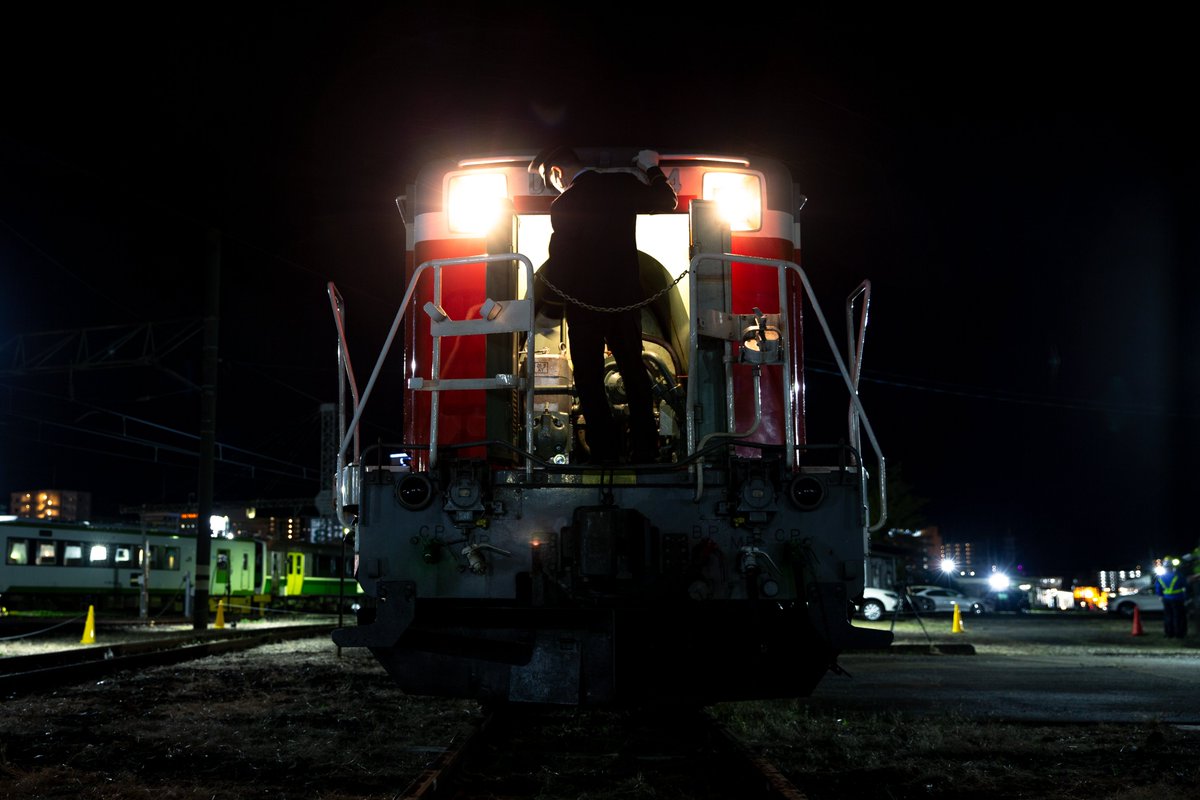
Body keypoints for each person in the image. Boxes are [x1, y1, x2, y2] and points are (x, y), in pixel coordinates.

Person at [529, 146, 678, 463]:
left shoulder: (564, 204)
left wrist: (551, 306)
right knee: (635, 373)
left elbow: (560, 264)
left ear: (556, 172)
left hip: (585, 308)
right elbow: (667, 200)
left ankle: (605, 452)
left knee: (589, 380)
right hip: (625, 303)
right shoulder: (621, 185)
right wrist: (651, 168)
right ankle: (645, 449)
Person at [1154, 557, 1188, 638]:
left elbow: (1158, 588)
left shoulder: (1160, 577)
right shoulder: (1178, 575)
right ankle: (1179, 634)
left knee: (1168, 616)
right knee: (1178, 617)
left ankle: (1169, 634)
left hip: (1166, 599)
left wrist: (1160, 596)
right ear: (1172, 567)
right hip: (1178, 599)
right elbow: (1185, 585)